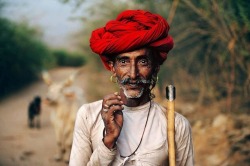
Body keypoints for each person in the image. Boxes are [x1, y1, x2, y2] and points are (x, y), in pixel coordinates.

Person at [69, 9, 194, 165]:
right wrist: (108, 141)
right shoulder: (88, 115)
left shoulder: (176, 124)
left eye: (143, 62)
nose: (133, 74)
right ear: (113, 67)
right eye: (124, 62)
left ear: (155, 67)